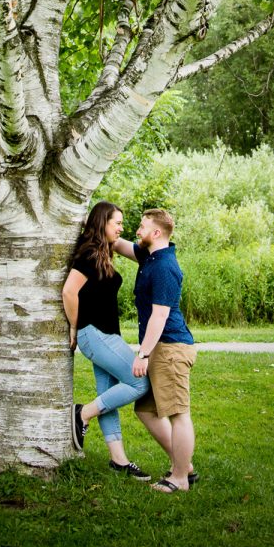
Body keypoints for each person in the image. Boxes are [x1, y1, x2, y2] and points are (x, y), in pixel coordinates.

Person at [62, 200, 151, 479]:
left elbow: (143, 255)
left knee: (108, 397)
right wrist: (75, 328)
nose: (122, 228)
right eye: (118, 223)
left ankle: (119, 461)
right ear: (103, 223)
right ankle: (82, 414)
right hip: (95, 334)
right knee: (139, 381)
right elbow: (68, 292)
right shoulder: (89, 254)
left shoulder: (106, 249)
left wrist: (147, 236)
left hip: (106, 334)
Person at [115, 208, 198, 493]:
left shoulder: (164, 267)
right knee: (146, 409)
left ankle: (180, 479)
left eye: (141, 226)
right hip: (161, 347)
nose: (136, 231)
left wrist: (143, 354)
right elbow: (118, 244)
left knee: (178, 414)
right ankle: (182, 464)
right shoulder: (149, 257)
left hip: (170, 348)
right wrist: (99, 225)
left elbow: (159, 316)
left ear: (157, 232)